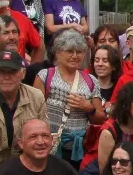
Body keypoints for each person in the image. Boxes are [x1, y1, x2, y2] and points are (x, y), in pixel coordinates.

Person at [34, 29, 102, 165]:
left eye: (80, 52)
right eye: (70, 51)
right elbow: (34, 113)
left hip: (80, 149)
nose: (75, 56)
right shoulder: (45, 76)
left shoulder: (91, 80)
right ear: (58, 52)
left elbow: (100, 118)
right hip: (51, 147)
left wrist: (88, 108)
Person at [88, 42, 121, 108]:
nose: (100, 64)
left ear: (114, 66)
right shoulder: (86, 86)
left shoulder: (120, 89)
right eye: (96, 60)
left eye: (105, 61)